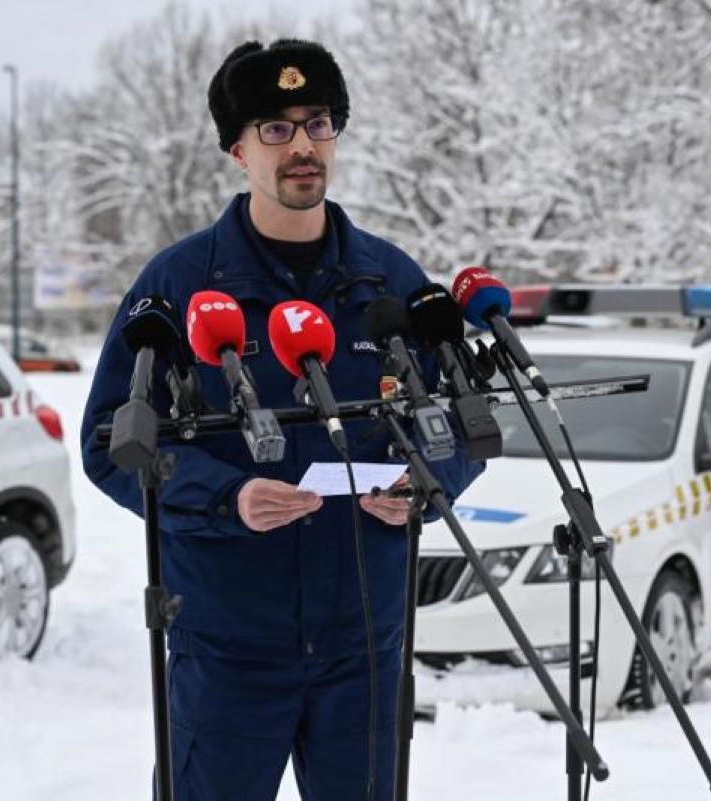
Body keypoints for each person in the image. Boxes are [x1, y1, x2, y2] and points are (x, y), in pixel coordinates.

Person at [82, 38, 484, 801]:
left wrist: (426, 481)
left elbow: (465, 422)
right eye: (276, 127)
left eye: (318, 123)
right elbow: (109, 443)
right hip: (228, 648)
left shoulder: (390, 284)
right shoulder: (178, 286)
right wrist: (225, 497)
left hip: (363, 647)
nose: (302, 145)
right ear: (237, 149)